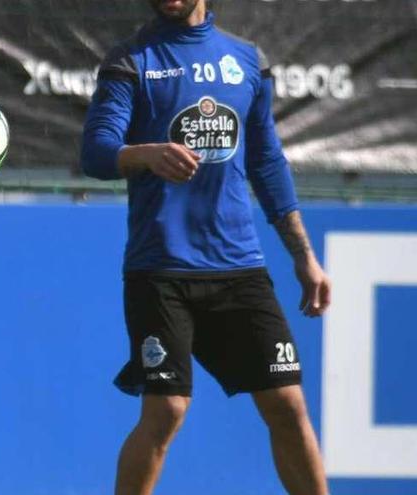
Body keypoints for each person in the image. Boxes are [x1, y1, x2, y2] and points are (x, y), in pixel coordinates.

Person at [81, 1, 331, 494]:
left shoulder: (247, 61)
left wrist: (304, 256)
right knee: (167, 410)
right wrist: (146, 154)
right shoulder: (131, 61)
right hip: (162, 269)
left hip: (240, 268)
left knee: (287, 404)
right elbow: (95, 152)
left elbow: (267, 162)